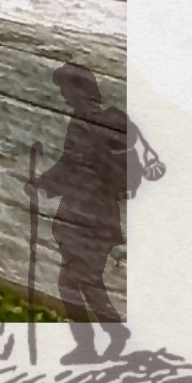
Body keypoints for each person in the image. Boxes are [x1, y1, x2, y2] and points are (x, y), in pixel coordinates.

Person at [31, 63, 133, 364]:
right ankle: (109, 336)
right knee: (85, 281)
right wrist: (43, 183)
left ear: (81, 90)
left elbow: (77, 164)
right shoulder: (84, 121)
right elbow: (70, 163)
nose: (64, 95)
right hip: (82, 212)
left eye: (67, 89)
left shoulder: (95, 122)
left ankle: (98, 341)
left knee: (75, 282)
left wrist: (43, 182)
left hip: (92, 214)